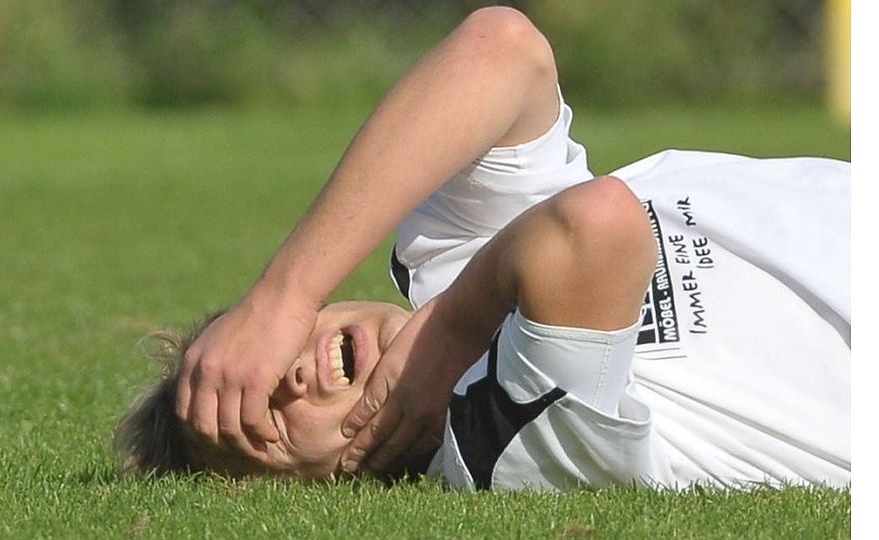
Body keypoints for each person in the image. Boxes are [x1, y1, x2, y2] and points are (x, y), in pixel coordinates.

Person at [115, 7, 850, 490]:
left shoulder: (444, 255)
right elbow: (595, 228)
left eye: (262, 355)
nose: (291, 373)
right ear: (327, 478)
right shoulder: (496, 443)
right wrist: (460, 324)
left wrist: (282, 296)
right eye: (265, 420)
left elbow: (505, 47)